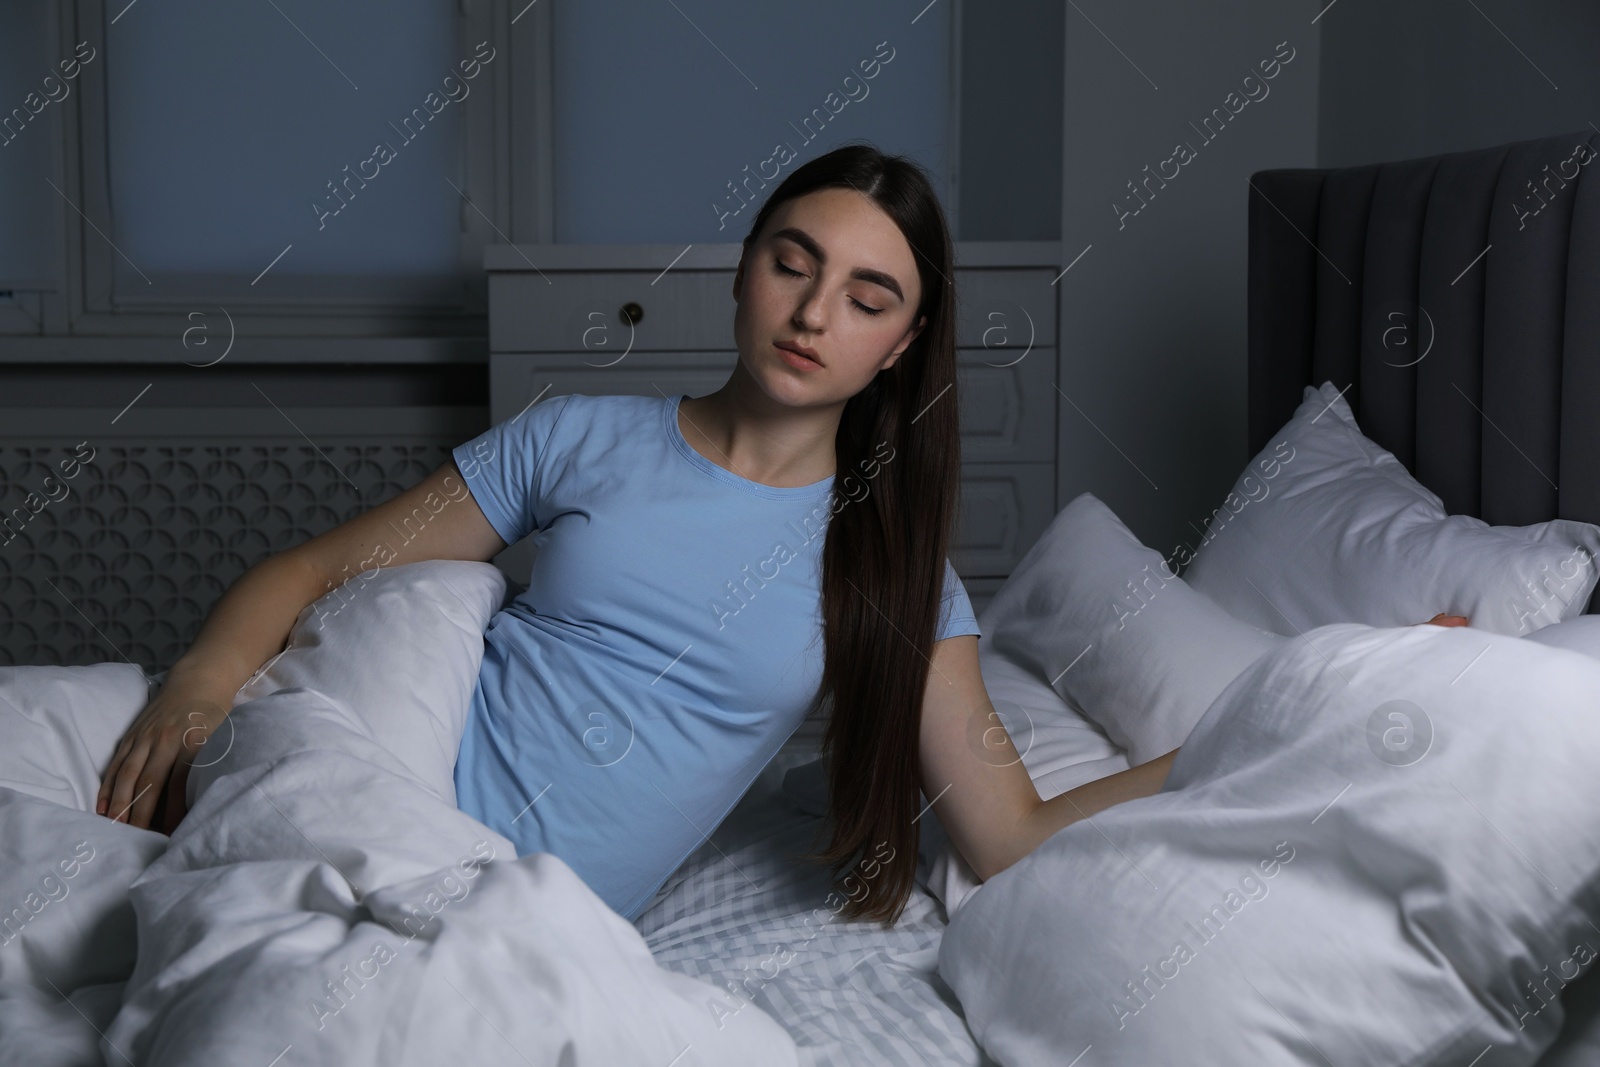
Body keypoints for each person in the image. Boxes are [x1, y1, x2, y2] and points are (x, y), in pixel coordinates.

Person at [93, 142, 1471, 928]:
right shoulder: (581, 436)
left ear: (901, 345)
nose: (815, 315)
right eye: (792, 262)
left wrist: (1302, 697)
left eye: (868, 296)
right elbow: (314, 576)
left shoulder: (891, 573)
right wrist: (205, 685)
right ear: (745, 268)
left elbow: (1010, 833)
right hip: (368, 771)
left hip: (504, 904)